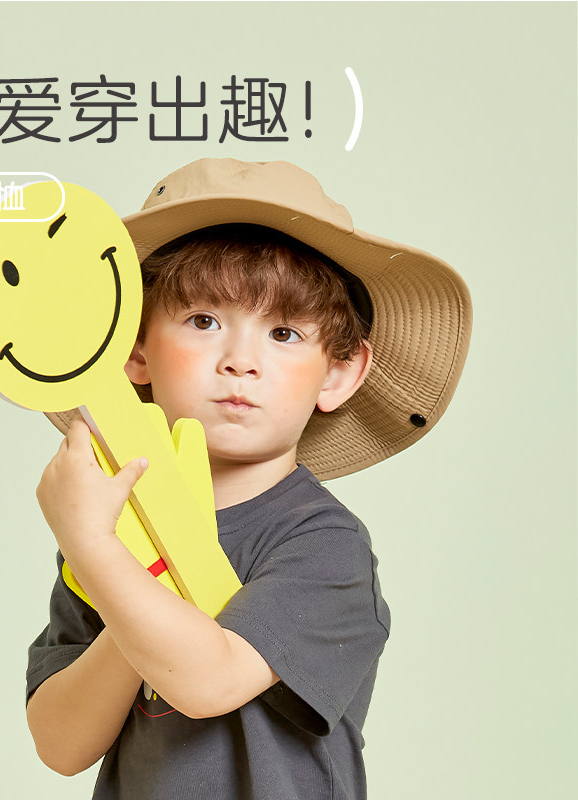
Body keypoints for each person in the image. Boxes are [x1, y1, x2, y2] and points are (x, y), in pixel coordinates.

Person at [25, 158, 472, 799]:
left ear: (338, 373)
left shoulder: (323, 543)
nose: (240, 361)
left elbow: (210, 682)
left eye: (284, 333)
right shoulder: (113, 529)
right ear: (136, 350)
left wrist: (97, 551)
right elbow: (61, 745)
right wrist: (112, 556)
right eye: (203, 321)